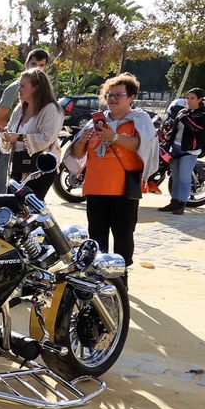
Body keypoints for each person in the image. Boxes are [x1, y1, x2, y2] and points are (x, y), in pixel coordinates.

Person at [67, 73, 157, 274]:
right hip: (96, 188)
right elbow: (77, 154)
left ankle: (120, 279)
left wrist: (114, 136)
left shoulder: (139, 120)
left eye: (118, 95)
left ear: (131, 98)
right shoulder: (95, 122)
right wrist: (81, 141)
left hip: (123, 189)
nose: (113, 99)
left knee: (123, 236)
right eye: (109, 95)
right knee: (96, 238)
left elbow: (144, 146)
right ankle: (97, 279)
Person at [0, 67, 64, 197]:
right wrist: (5, 134)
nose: (19, 90)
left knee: (29, 209)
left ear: (36, 88)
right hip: (18, 165)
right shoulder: (19, 109)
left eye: (22, 86)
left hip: (40, 169)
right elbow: (12, 133)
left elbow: (47, 138)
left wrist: (18, 137)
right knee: (12, 207)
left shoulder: (51, 109)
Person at [0, 49, 51, 187]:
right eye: (34, 63)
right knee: (2, 190)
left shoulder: (43, 90)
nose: (37, 68)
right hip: (10, 151)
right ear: (26, 64)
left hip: (33, 153)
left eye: (41, 65)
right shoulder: (15, 89)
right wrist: (14, 132)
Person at [159, 88, 205, 215]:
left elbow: (200, 129)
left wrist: (186, 119)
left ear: (200, 99)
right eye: (187, 98)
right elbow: (176, 129)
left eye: (192, 98)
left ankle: (182, 204)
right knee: (176, 177)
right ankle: (174, 202)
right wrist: (168, 136)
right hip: (175, 148)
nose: (189, 101)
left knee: (184, 177)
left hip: (190, 150)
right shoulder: (183, 112)